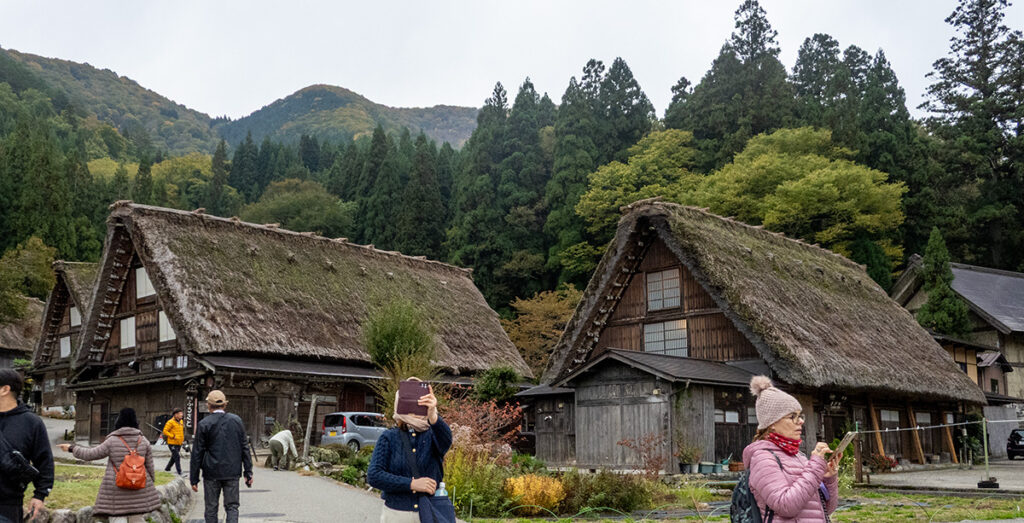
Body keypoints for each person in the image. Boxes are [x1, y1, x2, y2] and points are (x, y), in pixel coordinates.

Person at [741, 376, 840, 522]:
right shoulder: (762, 458)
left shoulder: (798, 456)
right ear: (772, 423)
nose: (800, 421)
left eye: (800, 416)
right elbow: (786, 506)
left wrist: (828, 478)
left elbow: (824, 509)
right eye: (792, 416)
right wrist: (815, 466)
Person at [368, 378, 452, 523]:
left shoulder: (433, 435)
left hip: (429, 514)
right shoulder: (389, 437)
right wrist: (411, 484)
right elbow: (374, 476)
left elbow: (446, 441)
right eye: (410, 401)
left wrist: (433, 415)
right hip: (396, 515)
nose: (416, 406)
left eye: (420, 401)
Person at [59, 407, 160, 522]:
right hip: (139, 488)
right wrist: (150, 483)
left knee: (117, 518)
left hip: (117, 489)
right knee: (136, 518)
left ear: (119, 421)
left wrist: (71, 448)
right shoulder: (144, 441)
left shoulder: (112, 441)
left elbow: (91, 454)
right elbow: (150, 466)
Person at [190, 390, 253, 523]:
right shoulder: (236, 421)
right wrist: (248, 472)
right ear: (225, 405)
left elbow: (197, 453)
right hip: (232, 470)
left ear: (209, 405)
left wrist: (194, 478)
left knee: (211, 508)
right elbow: (244, 448)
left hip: (211, 471)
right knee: (232, 507)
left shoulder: (204, 424)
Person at [0, 369, 53, 523]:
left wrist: (40, 494)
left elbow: (44, 461)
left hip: (8, 505)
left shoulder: (31, 422)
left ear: (5, 389)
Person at [161, 408, 185, 475]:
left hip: (179, 442)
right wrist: (172, 436)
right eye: (180, 413)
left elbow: (181, 432)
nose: (182, 415)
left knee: (173, 457)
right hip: (172, 443)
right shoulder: (170, 422)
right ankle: (179, 472)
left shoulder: (181, 421)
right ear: (176, 414)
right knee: (177, 457)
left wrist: (182, 440)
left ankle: (167, 469)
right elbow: (165, 431)